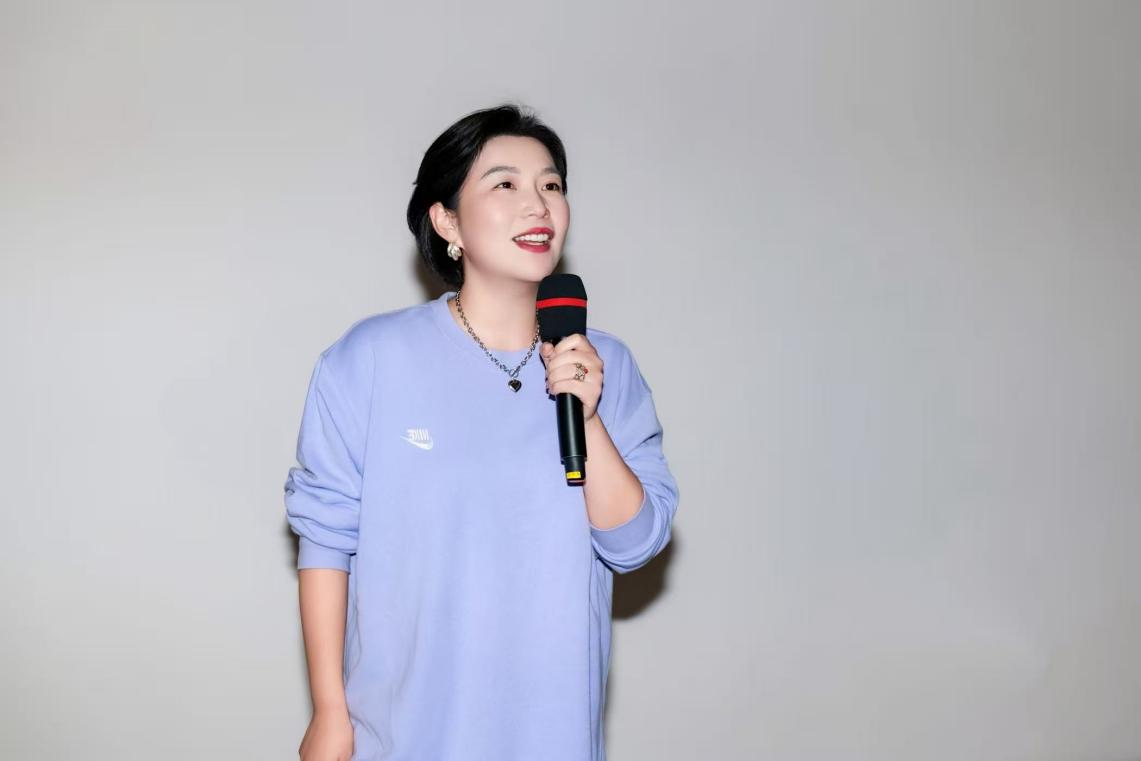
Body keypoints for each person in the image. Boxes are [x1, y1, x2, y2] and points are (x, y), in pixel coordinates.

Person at [283, 103, 680, 761]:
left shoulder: (604, 364)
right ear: (447, 222)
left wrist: (586, 416)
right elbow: (325, 539)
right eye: (505, 184)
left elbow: (635, 544)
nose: (538, 205)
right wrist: (329, 712)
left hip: (553, 735)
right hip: (405, 733)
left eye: (551, 185)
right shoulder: (369, 358)